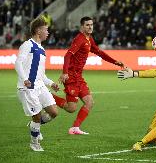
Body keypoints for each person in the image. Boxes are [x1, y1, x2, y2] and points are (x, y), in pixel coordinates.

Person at [52, 16, 124, 135]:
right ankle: (48, 96)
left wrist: (114, 61)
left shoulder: (89, 39)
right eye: (87, 25)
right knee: (71, 108)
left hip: (78, 77)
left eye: (91, 25)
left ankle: (75, 128)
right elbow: (67, 56)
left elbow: (99, 52)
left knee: (89, 102)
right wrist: (65, 72)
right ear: (82, 26)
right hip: (71, 76)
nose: (90, 27)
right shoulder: (79, 39)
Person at [15, 16, 59, 152]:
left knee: (53, 112)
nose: (48, 32)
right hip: (28, 88)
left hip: (40, 86)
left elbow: (42, 74)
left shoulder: (42, 49)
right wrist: (24, 79)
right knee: (37, 116)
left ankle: (35, 125)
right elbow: (18, 63)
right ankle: (34, 143)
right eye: (46, 29)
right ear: (38, 31)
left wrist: (51, 84)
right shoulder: (27, 45)